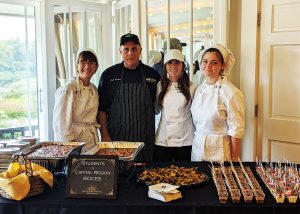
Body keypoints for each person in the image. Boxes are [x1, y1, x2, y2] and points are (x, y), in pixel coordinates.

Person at [98, 33, 160, 162]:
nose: (130, 53)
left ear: (140, 50)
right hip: (117, 140)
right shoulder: (109, 75)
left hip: (144, 141)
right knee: (118, 178)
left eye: (134, 49)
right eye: (126, 49)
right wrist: (104, 135)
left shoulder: (153, 75)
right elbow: (101, 109)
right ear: (120, 51)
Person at [191, 44, 245, 162]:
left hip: (219, 152)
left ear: (222, 66)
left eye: (214, 62)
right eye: (205, 61)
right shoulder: (199, 89)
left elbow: (236, 130)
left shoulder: (231, 92)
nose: (208, 66)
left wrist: (234, 161)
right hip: (197, 149)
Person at [53, 49, 100, 153]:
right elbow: (61, 125)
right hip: (74, 142)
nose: (87, 66)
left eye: (91, 63)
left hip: (92, 140)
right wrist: (71, 146)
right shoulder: (68, 89)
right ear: (77, 66)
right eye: (83, 63)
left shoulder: (94, 89)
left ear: (96, 67)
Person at [154, 49, 197, 161]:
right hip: (163, 140)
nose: (173, 66)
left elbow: (197, 115)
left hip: (186, 139)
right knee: (161, 174)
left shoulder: (192, 87)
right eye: (170, 62)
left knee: (185, 174)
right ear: (165, 66)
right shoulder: (159, 86)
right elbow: (157, 110)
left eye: (177, 62)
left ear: (183, 65)